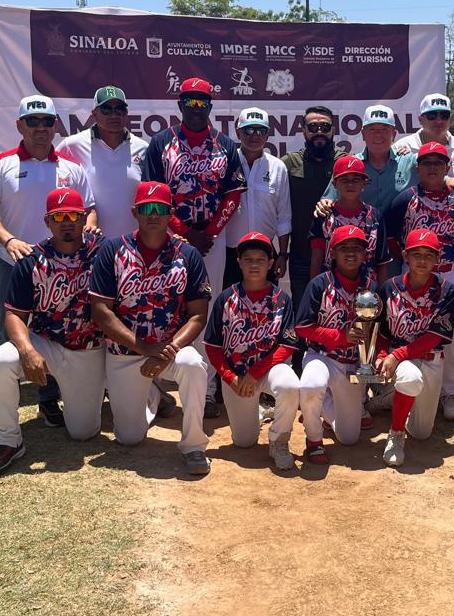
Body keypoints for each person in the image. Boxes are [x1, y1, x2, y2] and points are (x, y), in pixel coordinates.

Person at [0, 94, 93, 426]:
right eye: (33, 121)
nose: (41, 127)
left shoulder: (71, 168)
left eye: (47, 121)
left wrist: (88, 234)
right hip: (15, 263)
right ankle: (7, 413)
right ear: (19, 125)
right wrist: (9, 240)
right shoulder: (0, 165)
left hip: (63, 269)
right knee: (10, 331)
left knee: (54, 332)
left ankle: (48, 399)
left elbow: (89, 209)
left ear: (55, 125)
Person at [89, 181, 214, 476]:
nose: (154, 214)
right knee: (129, 438)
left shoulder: (187, 254)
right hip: (125, 352)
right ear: (135, 212)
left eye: (160, 208)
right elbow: (101, 312)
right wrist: (145, 348)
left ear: (170, 214)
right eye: (147, 208)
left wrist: (165, 352)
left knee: (193, 364)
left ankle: (194, 445)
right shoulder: (112, 250)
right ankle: (156, 396)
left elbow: (198, 315)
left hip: (170, 350)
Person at [141, 76, 248, 414]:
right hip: (168, 238)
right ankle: (159, 382)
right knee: (164, 304)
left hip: (211, 241)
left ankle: (207, 388)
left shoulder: (225, 145)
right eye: (190, 101)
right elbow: (153, 195)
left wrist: (210, 233)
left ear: (210, 106)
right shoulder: (161, 143)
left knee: (208, 306)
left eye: (203, 102)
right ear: (180, 105)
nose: (197, 108)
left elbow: (233, 195)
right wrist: (183, 231)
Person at [0, 188, 106, 474]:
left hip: (88, 349)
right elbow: (14, 314)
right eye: (58, 217)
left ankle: (148, 394)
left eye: (73, 216)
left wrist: (176, 241)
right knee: (0, 361)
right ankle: (9, 440)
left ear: (83, 218)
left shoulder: (104, 252)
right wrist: (27, 350)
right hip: (46, 343)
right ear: (47, 221)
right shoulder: (31, 259)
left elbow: (141, 246)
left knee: (83, 433)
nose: (67, 222)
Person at [387, 141, 454, 421]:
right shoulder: (406, 199)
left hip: (453, 271)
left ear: (447, 167)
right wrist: (406, 262)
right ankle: (410, 387)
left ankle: (450, 392)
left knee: (452, 335)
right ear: (417, 168)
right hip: (415, 273)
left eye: (438, 163)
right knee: (413, 330)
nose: (432, 168)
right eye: (426, 163)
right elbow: (391, 238)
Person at [203, 232, 302, 469]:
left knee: (290, 385)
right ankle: (258, 413)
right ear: (239, 262)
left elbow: (287, 345)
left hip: (267, 371)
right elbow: (212, 346)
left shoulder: (282, 299)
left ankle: (279, 440)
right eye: (248, 259)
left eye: (260, 260)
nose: (254, 265)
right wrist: (230, 377)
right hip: (237, 378)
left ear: (270, 263)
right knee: (244, 442)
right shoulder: (225, 298)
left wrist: (255, 373)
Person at [374, 228, 454, 468]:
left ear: (437, 259)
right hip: (402, 362)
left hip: (431, 359)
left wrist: (396, 355)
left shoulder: (447, 290)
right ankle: (396, 434)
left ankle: (389, 398)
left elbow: (434, 336)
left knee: (421, 433)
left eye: (429, 255)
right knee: (410, 377)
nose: (422, 260)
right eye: (416, 254)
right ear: (405, 256)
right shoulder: (389, 287)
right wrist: (383, 355)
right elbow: (382, 332)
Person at [295, 226, 380, 463]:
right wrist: (342, 336)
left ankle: (325, 408)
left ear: (365, 254)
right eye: (343, 248)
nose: (350, 253)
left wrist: (373, 361)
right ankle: (314, 440)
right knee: (311, 385)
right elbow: (302, 327)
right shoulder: (320, 284)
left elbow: (376, 331)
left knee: (349, 438)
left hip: (354, 363)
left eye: (357, 248)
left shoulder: (371, 288)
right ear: (332, 253)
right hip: (322, 356)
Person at [319, 103, 454, 230]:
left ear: (394, 134)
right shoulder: (350, 165)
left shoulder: (409, 161)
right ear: (363, 134)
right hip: (358, 242)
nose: (378, 135)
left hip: (399, 244)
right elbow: (328, 199)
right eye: (372, 129)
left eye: (384, 129)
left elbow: (442, 178)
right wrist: (324, 203)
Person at [56, 85, 149, 241]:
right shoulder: (72, 146)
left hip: (132, 244)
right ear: (94, 113)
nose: (113, 115)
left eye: (119, 110)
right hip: (88, 243)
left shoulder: (143, 148)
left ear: (126, 114)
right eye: (106, 109)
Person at [283, 105, 346, 316]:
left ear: (333, 130)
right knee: (304, 314)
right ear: (303, 130)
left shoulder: (344, 162)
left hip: (341, 257)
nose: (319, 131)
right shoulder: (289, 163)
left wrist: (400, 151)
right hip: (302, 256)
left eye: (325, 127)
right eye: (313, 127)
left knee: (340, 314)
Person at [222, 107, 291, 289]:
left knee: (266, 303)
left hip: (265, 252)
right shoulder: (226, 163)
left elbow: (283, 217)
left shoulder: (278, 167)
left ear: (267, 135)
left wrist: (282, 255)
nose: (255, 136)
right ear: (238, 132)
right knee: (230, 302)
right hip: (229, 252)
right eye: (248, 130)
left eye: (260, 131)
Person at [309, 156, 389, 282]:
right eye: (344, 180)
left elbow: (381, 261)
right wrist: (314, 288)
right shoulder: (324, 214)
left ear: (364, 183)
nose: (350, 184)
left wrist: (381, 292)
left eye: (356, 180)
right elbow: (317, 258)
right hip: (331, 287)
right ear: (334, 184)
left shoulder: (375, 216)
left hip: (367, 288)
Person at [394, 93, 454, 178]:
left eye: (444, 115)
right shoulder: (403, 146)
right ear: (420, 119)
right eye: (432, 115)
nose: (438, 121)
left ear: (451, 119)